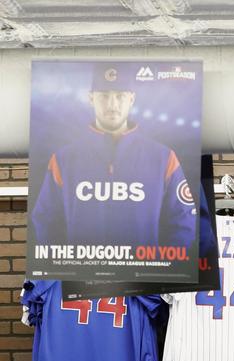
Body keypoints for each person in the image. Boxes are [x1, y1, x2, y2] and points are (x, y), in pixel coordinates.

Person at [31, 62, 196, 254]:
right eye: (104, 96)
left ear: (132, 98)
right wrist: (64, 268)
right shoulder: (63, 159)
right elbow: (45, 218)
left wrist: (161, 267)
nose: (112, 104)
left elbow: (183, 220)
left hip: (143, 280)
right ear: (91, 98)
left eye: (120, 96)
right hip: (81, 279)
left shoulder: (163, 157)